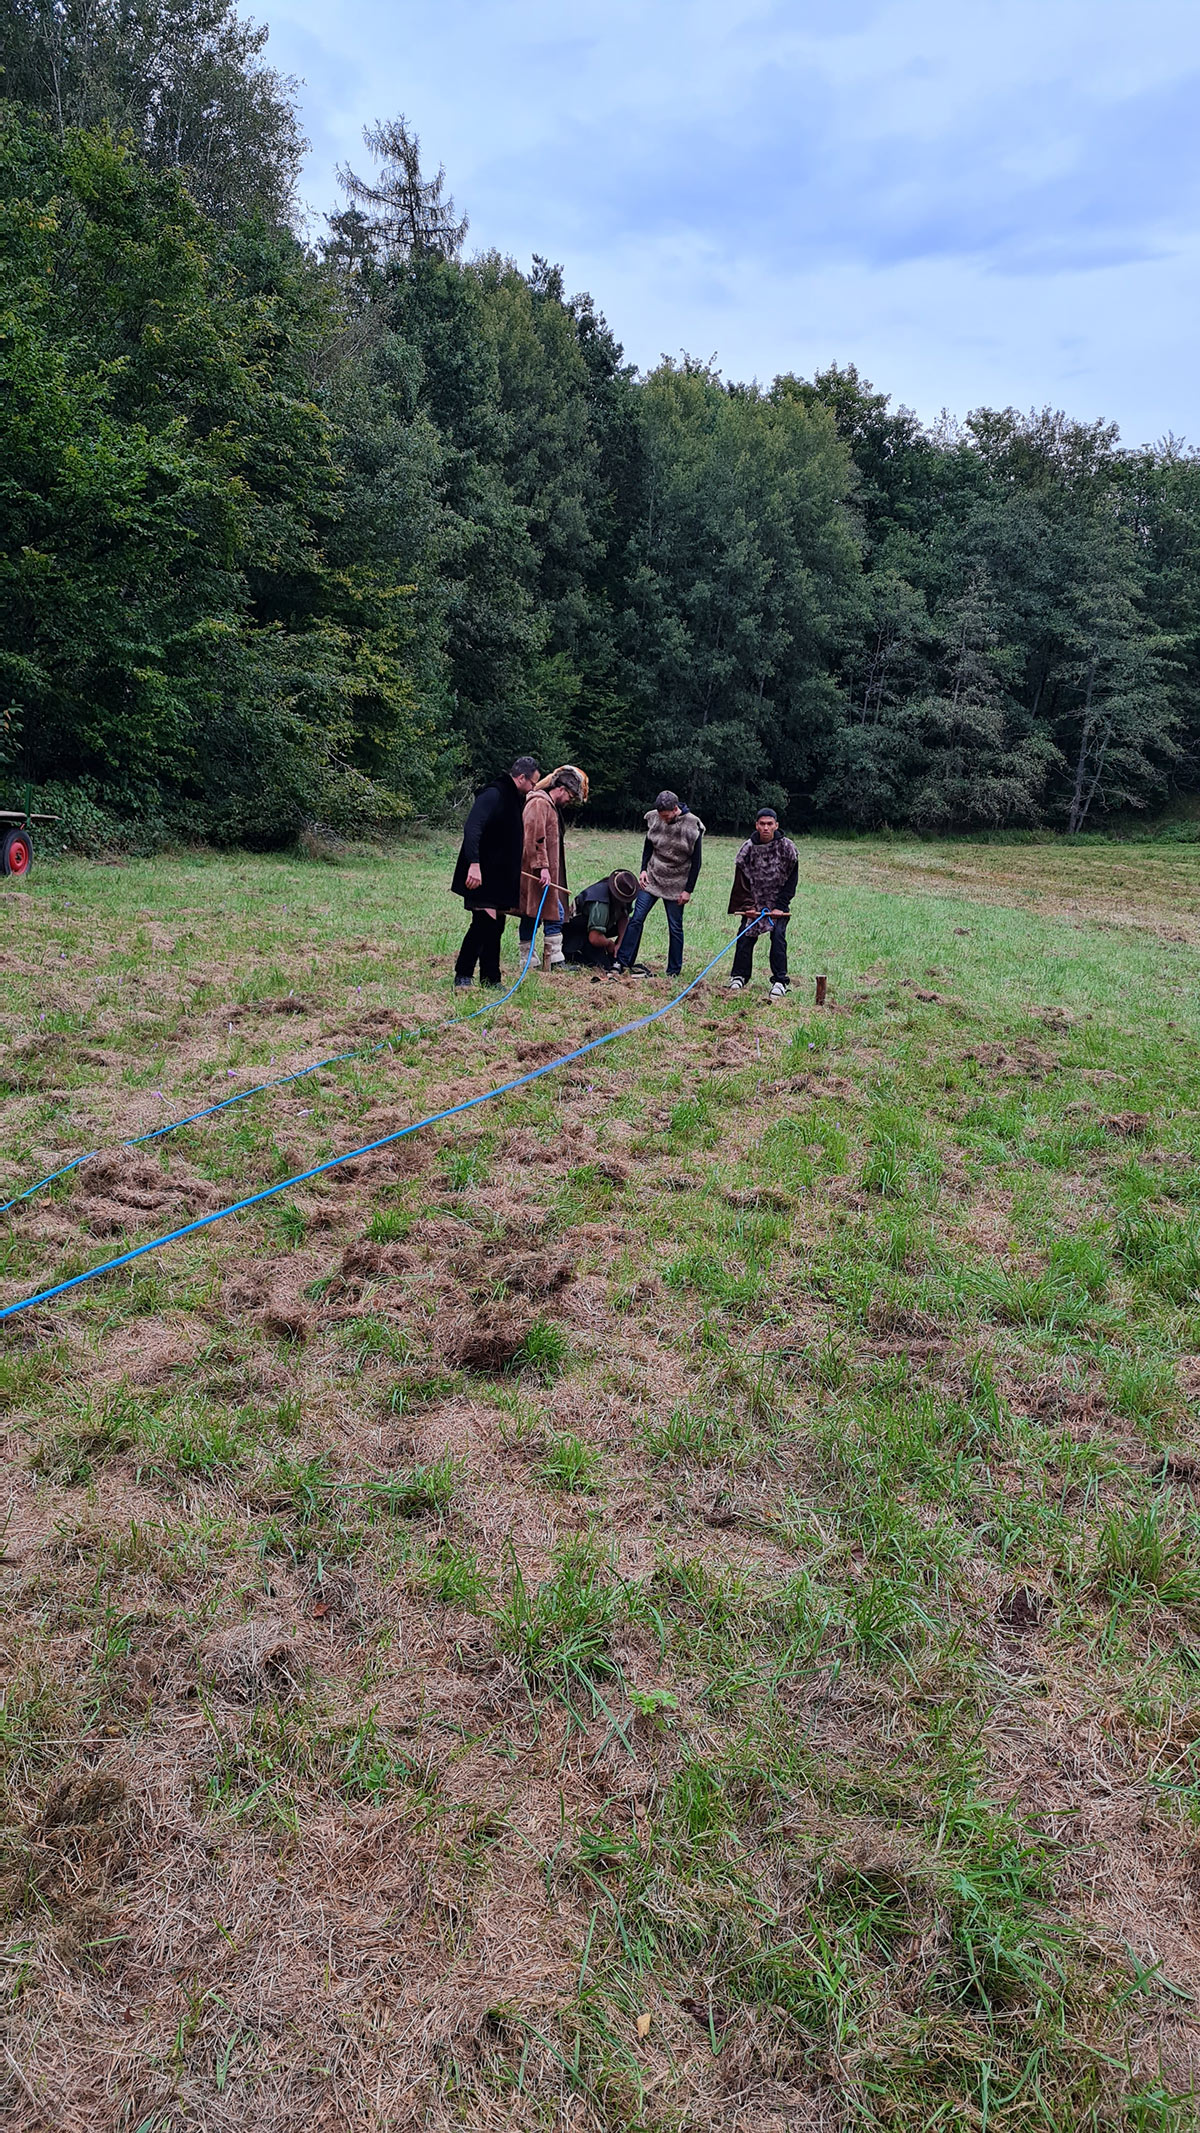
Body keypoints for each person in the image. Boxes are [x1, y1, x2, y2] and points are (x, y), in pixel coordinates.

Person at [450, 756, 541, 988]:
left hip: (498, 877)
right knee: (484, 923)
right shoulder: (493, 794)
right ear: (521, 777)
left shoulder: (514, 797)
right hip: (482, 873)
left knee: (496, 925)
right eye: (532, 783)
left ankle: (490, 978)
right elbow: (472, 828)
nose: (533, 789)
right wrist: (474, 863)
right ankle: (463, 974)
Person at [610, 790, 704, 980]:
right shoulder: (654, 818)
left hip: (677, 881)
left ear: (675, 809)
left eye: (666, 816)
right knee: (636, 918)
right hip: (653, 877)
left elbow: (697, 862)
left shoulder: (692, 824)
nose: (663, 820)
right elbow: (648, 846)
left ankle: (673, 971)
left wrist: (688, 890)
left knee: (675, 927)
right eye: (661, 816)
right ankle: (622, 961)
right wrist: (643, 869)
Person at [517, 766, 588, 966]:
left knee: (536, 913)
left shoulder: (548, 805)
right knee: (549, 912)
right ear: (561, 789)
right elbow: (534, 837)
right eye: (570, 796)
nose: (569, 801)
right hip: (536, 872)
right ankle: (548, 959)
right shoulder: (539, 803)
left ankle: (535, 959)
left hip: (543, 872)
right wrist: (543, 868)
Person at [726, 806, 798, 998]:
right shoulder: (747, 849)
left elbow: (792, 880)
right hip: (754, 902)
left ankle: (780, 981)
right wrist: (747, 906)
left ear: (776, 825)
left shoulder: (787, 848)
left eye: (769, 824)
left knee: (778, 937)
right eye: (762, 824)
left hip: (777, 904)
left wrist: (780, 906)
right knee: (744, 937)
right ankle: (739, 976)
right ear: (756, 825)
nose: (766, 828)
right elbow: (741, 881)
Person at [561, 869, 640, 968]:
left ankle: (623, 958)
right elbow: (594, 938)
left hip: (598, 929)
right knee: (604, 965)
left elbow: (624, 917)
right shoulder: (600, 903)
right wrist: (609, 944)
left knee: (633, 926)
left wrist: (620, 942)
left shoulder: (624, 895)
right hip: (577, 933)